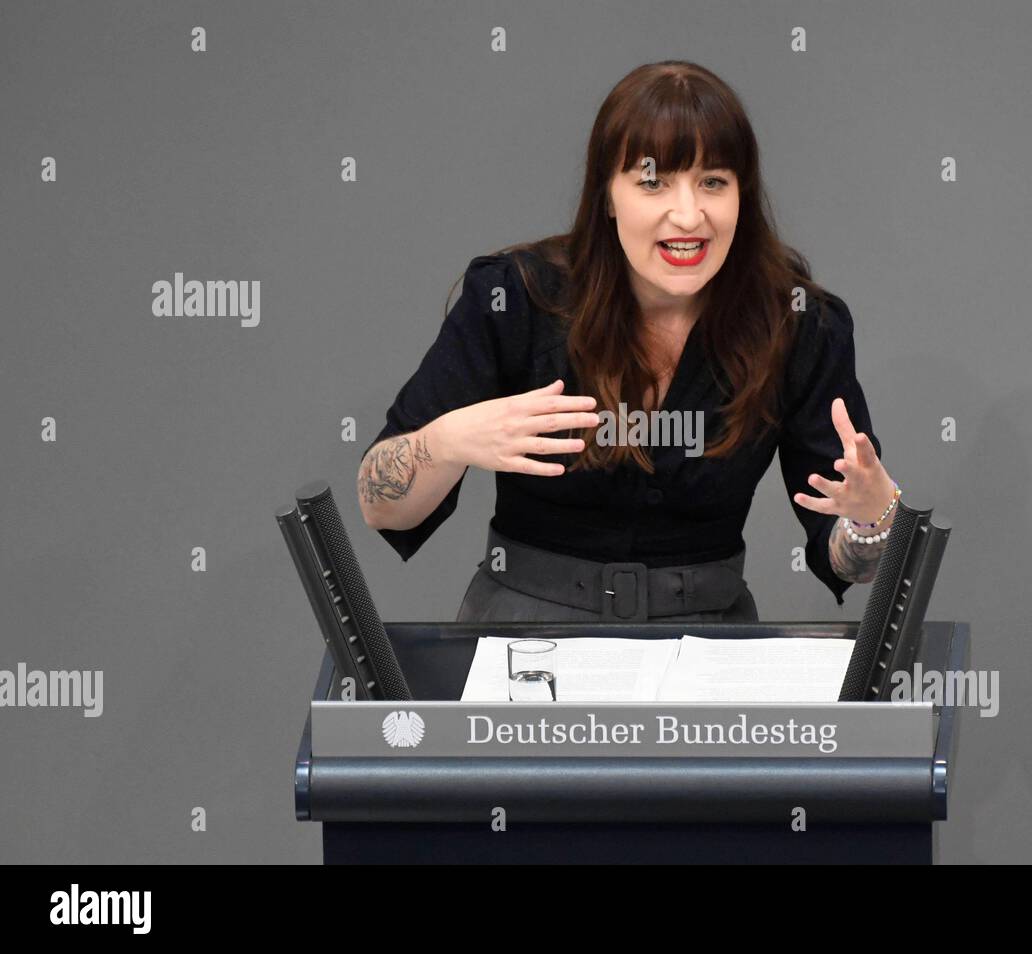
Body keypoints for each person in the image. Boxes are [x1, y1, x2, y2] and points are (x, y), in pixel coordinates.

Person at [357, 60, 901, 624]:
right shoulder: (514, 298)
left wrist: (870, 522)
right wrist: (446, 441)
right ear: (608, 196)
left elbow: (850, 559)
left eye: (713, 182)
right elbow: (380, 507)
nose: (689, 216)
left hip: (708, 646)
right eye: (652, 182)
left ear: (742, 194)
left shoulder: (798, 322)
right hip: (525, 638)